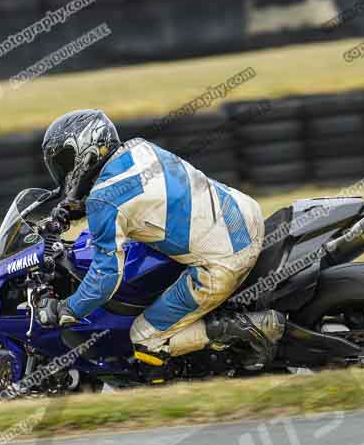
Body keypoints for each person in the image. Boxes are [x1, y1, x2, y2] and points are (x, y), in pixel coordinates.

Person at [36, 109, 284, 382]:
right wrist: (78, 209)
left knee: (145, 338)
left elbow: (106, 277)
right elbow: (131, 195)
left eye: (64, 161)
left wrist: (67, 310)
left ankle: (248, 327)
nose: (61, 170)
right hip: (243, 213)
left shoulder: (103, 203)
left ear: (87, 152)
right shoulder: (138, 149)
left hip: (224, 260)